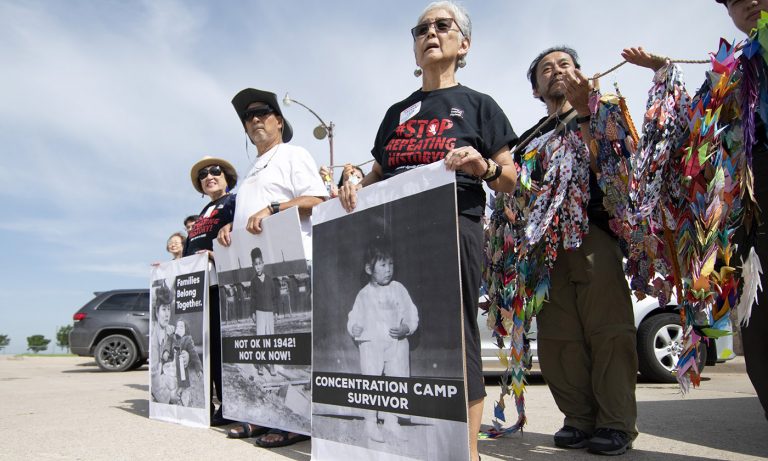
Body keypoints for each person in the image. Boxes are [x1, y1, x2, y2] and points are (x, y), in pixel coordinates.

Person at [338, 3, 518, 459]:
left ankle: (466, 451)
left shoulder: (480, 105)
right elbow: (377, 172)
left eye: (442, 25)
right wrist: (354, 183)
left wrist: (484, 165)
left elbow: (512, 179)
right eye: (421, 28)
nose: (430, 33)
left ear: (465, 44)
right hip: (394, 233)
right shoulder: (397, 113)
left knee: (455, 331)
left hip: (453, 224)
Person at [620, 0, 768, 420]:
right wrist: (664, 73)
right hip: (745, 220)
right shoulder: (732, 73)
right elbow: (692, 130)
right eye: (735, 0)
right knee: (759, 341)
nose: (750, 4)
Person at [503, 46, 637, 455]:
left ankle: (615, 423)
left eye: (565, 65)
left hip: (594, 236)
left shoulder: (603, 112)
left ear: (579, 73)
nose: (557, 72)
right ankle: (578, 418)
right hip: (545, 250)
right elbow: (517, 193)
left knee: (609, 330)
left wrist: (585, 114)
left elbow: (621, 171)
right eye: (546, 69)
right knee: (560, 339)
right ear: (535, 89)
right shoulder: (527, 141)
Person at [218, 88, 326, 447]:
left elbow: (317, 199)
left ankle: (298, 421)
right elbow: (249, 217)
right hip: (254, 270)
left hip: (293, 260)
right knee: (261, 346)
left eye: (263, 113)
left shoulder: (293, 154)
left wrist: (276, 209)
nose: (255, 120)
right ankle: (262, 417)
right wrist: (230, 226)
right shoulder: (250, 172)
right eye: (248, 118)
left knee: (291, 349)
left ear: (279, 121)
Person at [184, 156, 238, 426]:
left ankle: (229, 404)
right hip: (198, 288)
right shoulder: (203, 212)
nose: (209, 176)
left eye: (215, 171)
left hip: (222, 283)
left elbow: (244, 235)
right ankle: (208, 401)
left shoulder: (233, 202)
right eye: (203, 174)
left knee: (220, 347)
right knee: (204, 347)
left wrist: (217, 256)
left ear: (227, 176)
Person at [347, 243, 419, 442]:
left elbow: (411, 312)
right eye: (383, 265)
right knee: (371, 382)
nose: (388, 269)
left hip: (396, 343)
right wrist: (354, 328)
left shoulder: (399, 289)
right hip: (371, 344)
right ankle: (370, 423)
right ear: (369, 269)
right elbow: (353, 317)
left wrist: (407, 327)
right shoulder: (363, 294)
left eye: (391, 264)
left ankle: (391, 421)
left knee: (397, 381)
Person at [249, 247, 277, 376]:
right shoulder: (253, 282)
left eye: (260, 264)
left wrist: (275, 312)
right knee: (261, 339)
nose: (258, 267)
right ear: (253, 266)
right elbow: (252, 299)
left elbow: (274, 297)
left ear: (263, 264)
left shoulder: (270, 280)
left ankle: (272, 365)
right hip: (259, 313)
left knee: (270, 339)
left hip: (269, 312)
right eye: (255, 265)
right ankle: (260, 365)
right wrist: (253, 313)